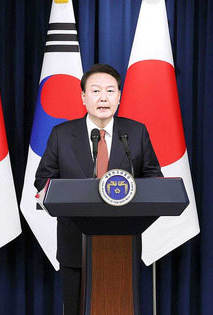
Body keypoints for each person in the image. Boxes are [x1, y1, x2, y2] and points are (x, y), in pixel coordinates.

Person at [34, 64, 163, 315]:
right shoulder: (62, 134)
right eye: (95, 91)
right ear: (83, 97)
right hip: (74, 243)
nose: (103, 97)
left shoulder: (136, 133)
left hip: (123, 243)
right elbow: (43, 180)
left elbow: (154, 178)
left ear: (119, 96)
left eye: (110, 91)